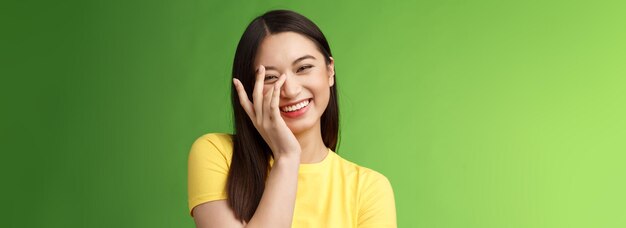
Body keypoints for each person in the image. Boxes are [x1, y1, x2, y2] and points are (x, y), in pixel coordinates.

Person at [188, 9, 396, 228]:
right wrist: (287, 157)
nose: (291, 90)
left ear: (330, 71)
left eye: (304, 68)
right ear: (250, 89)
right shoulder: (217, 154)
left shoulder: (369, 188)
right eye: (270, 77)